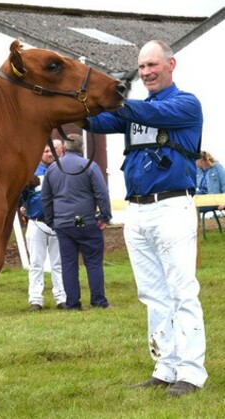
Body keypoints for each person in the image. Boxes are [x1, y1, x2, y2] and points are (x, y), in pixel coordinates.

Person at [84, 40, 206, 396]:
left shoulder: (186, 104)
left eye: (152, 65)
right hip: (136, 209)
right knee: (153, 293)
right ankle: (165, 367)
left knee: (182, 292)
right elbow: (94, 121)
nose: (146, 72)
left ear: (171, 64)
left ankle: (191, 372)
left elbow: (144, 114)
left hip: (171, 206)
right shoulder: (132, 111)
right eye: (141, 67)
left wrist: (115, 99)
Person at [41, 134, 111, 311]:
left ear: (64, 148)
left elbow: (46, 197)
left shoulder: (52, 169)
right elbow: (102, 193)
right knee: (94, 262)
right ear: (82, 148)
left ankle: (72, 303)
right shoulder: (90, 166)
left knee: (68, 263)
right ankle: (98, 300)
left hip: (63, 223)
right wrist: (105, 216)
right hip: (87, 220)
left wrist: (51, 220)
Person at [19, 139, 66, 312]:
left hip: (58, 223)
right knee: (36, 263)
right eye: (45, 151)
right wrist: (24, 207)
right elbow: (21, 194)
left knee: (58, 263)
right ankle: (35, 299)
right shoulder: (31, 172)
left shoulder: (62, 170)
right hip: (36, 222)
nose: (48, 153)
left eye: (51, 150)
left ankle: (61, 297)